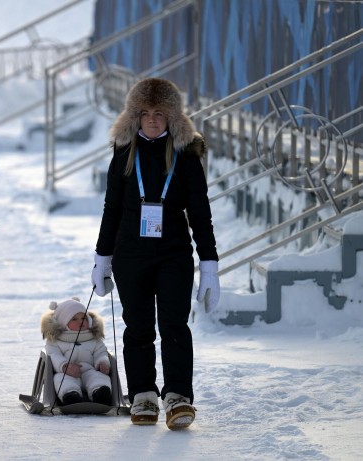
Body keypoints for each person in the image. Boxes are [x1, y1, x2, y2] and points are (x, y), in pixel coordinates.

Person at [90, 77, 220, 430]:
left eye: (159, 113)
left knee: (174, 325)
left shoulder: (186, 154)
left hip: (174, 254)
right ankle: (143, 395)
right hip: (130, 254)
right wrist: (102, 257)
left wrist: (209, 264)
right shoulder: (123, 151)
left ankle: (178, 396)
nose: (151, 120)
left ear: (172, 116)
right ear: (135, 115)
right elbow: (111, 207)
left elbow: (200, 212)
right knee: (138, 327)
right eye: (145, 113)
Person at [41, 297, 112, 405]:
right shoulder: (55, 341)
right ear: (63, 322)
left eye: (84, 318)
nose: (80, 322)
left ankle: (99, 393)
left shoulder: (94, 338)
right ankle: (70, 395)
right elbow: (54, 355)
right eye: (74, 319)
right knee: (61, 380)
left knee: (99, 378)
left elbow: (101, 352)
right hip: (65, 373)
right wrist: (65, 366)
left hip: (89, 371)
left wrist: (102, 362)